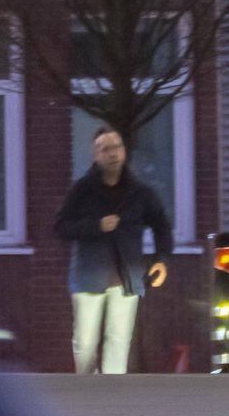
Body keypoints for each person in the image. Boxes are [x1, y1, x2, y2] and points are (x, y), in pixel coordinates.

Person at [53, 124, 173, 373]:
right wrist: (96, 226)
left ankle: (112, 395)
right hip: (89, 277)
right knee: (85, 343)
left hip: (127, 277)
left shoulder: (140, 192)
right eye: (105, 149)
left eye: (116, 147)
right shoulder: (82, 190)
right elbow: (61, 226)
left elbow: (162, 225)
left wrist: (161, 260)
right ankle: (87, 391)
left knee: (119, 341)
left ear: (124, 151)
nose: (113, 153)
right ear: (95, 155)